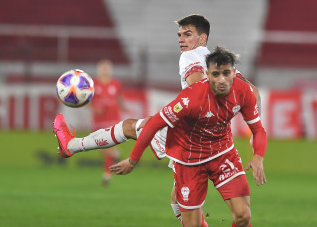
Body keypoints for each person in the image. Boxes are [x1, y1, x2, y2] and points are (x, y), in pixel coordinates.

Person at [53, 14, 260, 226]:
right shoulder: (218, 62)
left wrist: (197, 106)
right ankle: (72, 146)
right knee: (180, 197)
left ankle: (71, 145)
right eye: (179, 34)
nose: (181, 39)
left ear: (202, 38)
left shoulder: (190, 56)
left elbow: (196, 84)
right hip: (215, 138)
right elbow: (253, 91)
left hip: (189, 135)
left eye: (187, 34)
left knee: (130, 127)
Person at [109, 45, 267, 227]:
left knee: (243, 216)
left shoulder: (244, 91)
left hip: (222, 154)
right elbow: (154, 124)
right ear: (207, 75)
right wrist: (132, 160)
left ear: (234, 73)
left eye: (226, 73)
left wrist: (258, 156)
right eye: (216, 74)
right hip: (189, 161)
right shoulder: (191, 98)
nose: (222, 79)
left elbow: (258, 129)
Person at [91, 59, 127, 185]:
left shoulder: (116, 83)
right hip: (99, 121)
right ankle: (114, 155)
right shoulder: (93, 84)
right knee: (102, 148)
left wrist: (125, 107)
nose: (105, 69)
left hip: (113, 119)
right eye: (103, 67)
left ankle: (107, 175)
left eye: (107, 67)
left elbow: (119, 98)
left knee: (108, 148)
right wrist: (95, 108)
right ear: (98, 69)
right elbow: (86, 101)